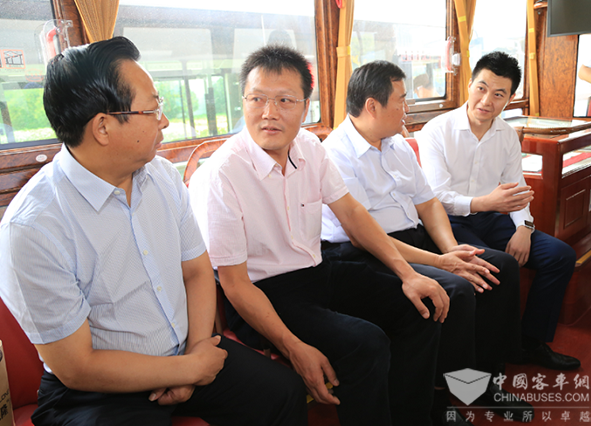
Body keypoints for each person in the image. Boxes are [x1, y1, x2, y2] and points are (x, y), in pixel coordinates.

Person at [0, 37, 307, 426]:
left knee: (283, 392)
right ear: (103, 127)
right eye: (152, 109)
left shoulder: (161, 176)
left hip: (185, 351)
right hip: (97, 389)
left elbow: (197, 272)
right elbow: (78, 366)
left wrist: (196, 354)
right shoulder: (33, 227)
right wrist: (187, 371)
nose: (163, 121)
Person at [190, 45, 459, 426]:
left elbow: (352, 213)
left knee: (421, 307)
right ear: (243, 101)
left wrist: (408, 274)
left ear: (305, 107)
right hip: (264, 292)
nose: (269, 113)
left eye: (285, 100)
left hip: (318, 271)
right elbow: (234, 284)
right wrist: (293, 347)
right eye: (257, 99)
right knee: (365, 344)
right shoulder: (221, 174)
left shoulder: (309, 147)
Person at [321, 60, 529, 425]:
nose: (407, 108)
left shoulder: (397, 144)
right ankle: (441, 395)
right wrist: (441, 263)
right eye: (401, 100)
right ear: (372, 106)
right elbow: (364, 234)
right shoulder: (336, 153)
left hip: (413, 238)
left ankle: (482, 379)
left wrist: (449, 248)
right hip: (367, 251)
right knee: (456, 288)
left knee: (499, 267)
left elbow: (429, 203)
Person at [418, 51, 580, 371]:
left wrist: (524, 229)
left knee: (560, 256)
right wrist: (485, 203)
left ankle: (528, 342)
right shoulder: (437, 130)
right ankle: (484, 365)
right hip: (448, 223)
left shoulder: (506, 135)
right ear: (469, 85)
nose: (486, 100)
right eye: (481, 88)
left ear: (510, 98)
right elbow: (436, 197)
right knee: (497, 268)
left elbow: (516, 189)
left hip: (492, 219)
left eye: (498, 94)